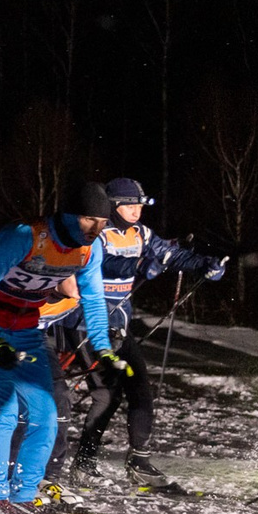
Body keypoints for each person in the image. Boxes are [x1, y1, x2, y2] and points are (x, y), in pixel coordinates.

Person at [0, 182, 130, 514]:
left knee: (45, 416)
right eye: (87, 220)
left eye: (102, 221)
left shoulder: (89, 249)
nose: (96, 230)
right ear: (67, 216)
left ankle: (23, 498)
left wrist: (102, 348)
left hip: (25, 328)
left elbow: (94, 298)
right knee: (6, 409)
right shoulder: (24, 236)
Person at [72, 178, 225, 489]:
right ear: (112, 206)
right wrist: (139, 266)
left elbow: (171, 255)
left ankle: (138, 460)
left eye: (140, 205)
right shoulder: (96, 234)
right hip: (91, 323)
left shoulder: (142, 233)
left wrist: (205, 265)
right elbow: (102, 264)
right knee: (108, 395)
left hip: (121, 325)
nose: (136, 210)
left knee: (140, 388)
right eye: (130, 205)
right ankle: (84, 463)